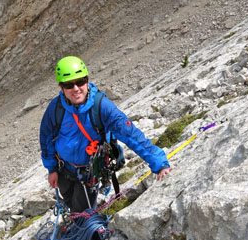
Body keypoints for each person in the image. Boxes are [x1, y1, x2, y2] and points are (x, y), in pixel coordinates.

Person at [40, 56, 171, 213]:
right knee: (71, 205)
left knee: (82, 215)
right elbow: (46, 140)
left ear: (87, 80)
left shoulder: (102, 107)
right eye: (69, 85)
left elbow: (131, 135)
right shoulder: (55, 109)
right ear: (61, 87)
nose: (76, 89)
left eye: (80, 82)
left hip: (88, 173)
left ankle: (85, 225)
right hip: (63, 171)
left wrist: (159, 163)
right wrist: (52, 169)